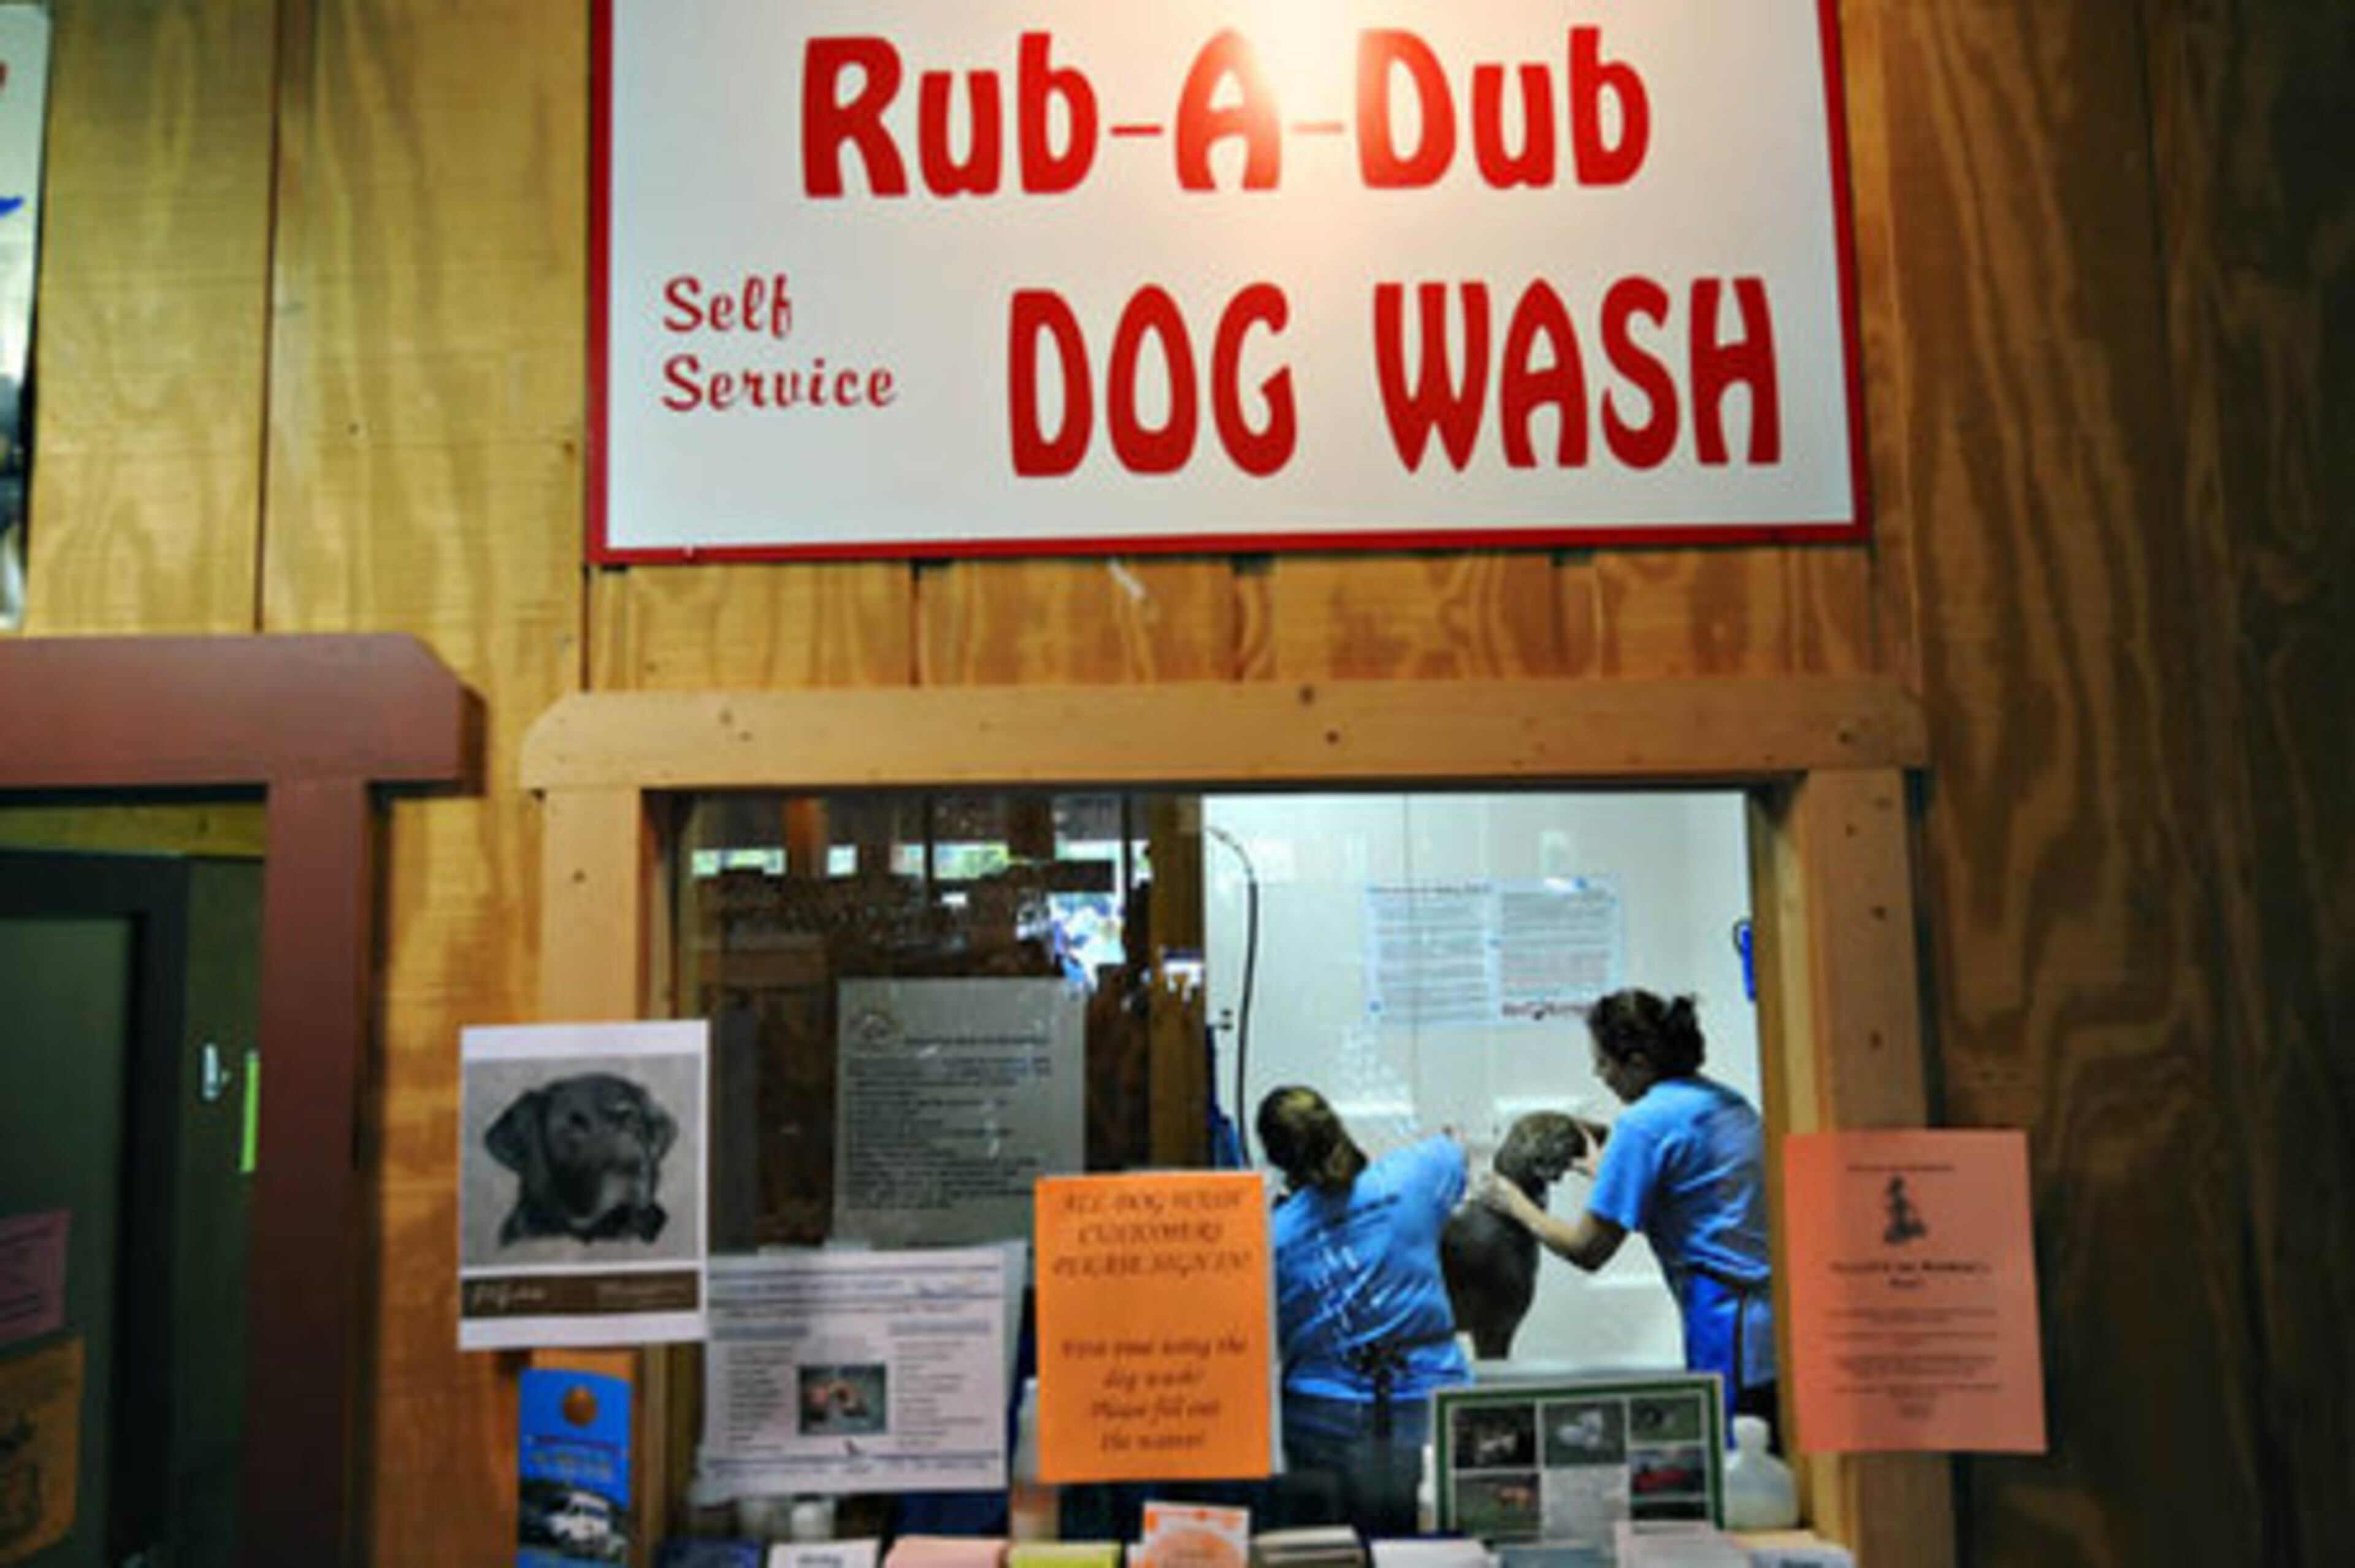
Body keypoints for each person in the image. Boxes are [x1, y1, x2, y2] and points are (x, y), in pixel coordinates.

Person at [1479, 989, 1778, 1437]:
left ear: (1638, 1061)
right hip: (1777, 1315)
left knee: (1735, 1457)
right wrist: (1614, 1174)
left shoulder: (1643, 1124)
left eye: (1604, 1062)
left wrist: (1516, 1205)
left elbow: (1587, 1249)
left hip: (1727, 1319)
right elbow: (1702, 1203)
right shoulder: (1725, 1101)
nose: (1599, 1074)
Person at [1257, 1085, 1469, 1535]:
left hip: (1321, 1415)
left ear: (1276, 1159)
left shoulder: (1271, 1236)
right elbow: (1456, 1144)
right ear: (1336, 1125)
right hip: (1429, 1402)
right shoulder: (1416, 1173)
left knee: (1339, 1549)